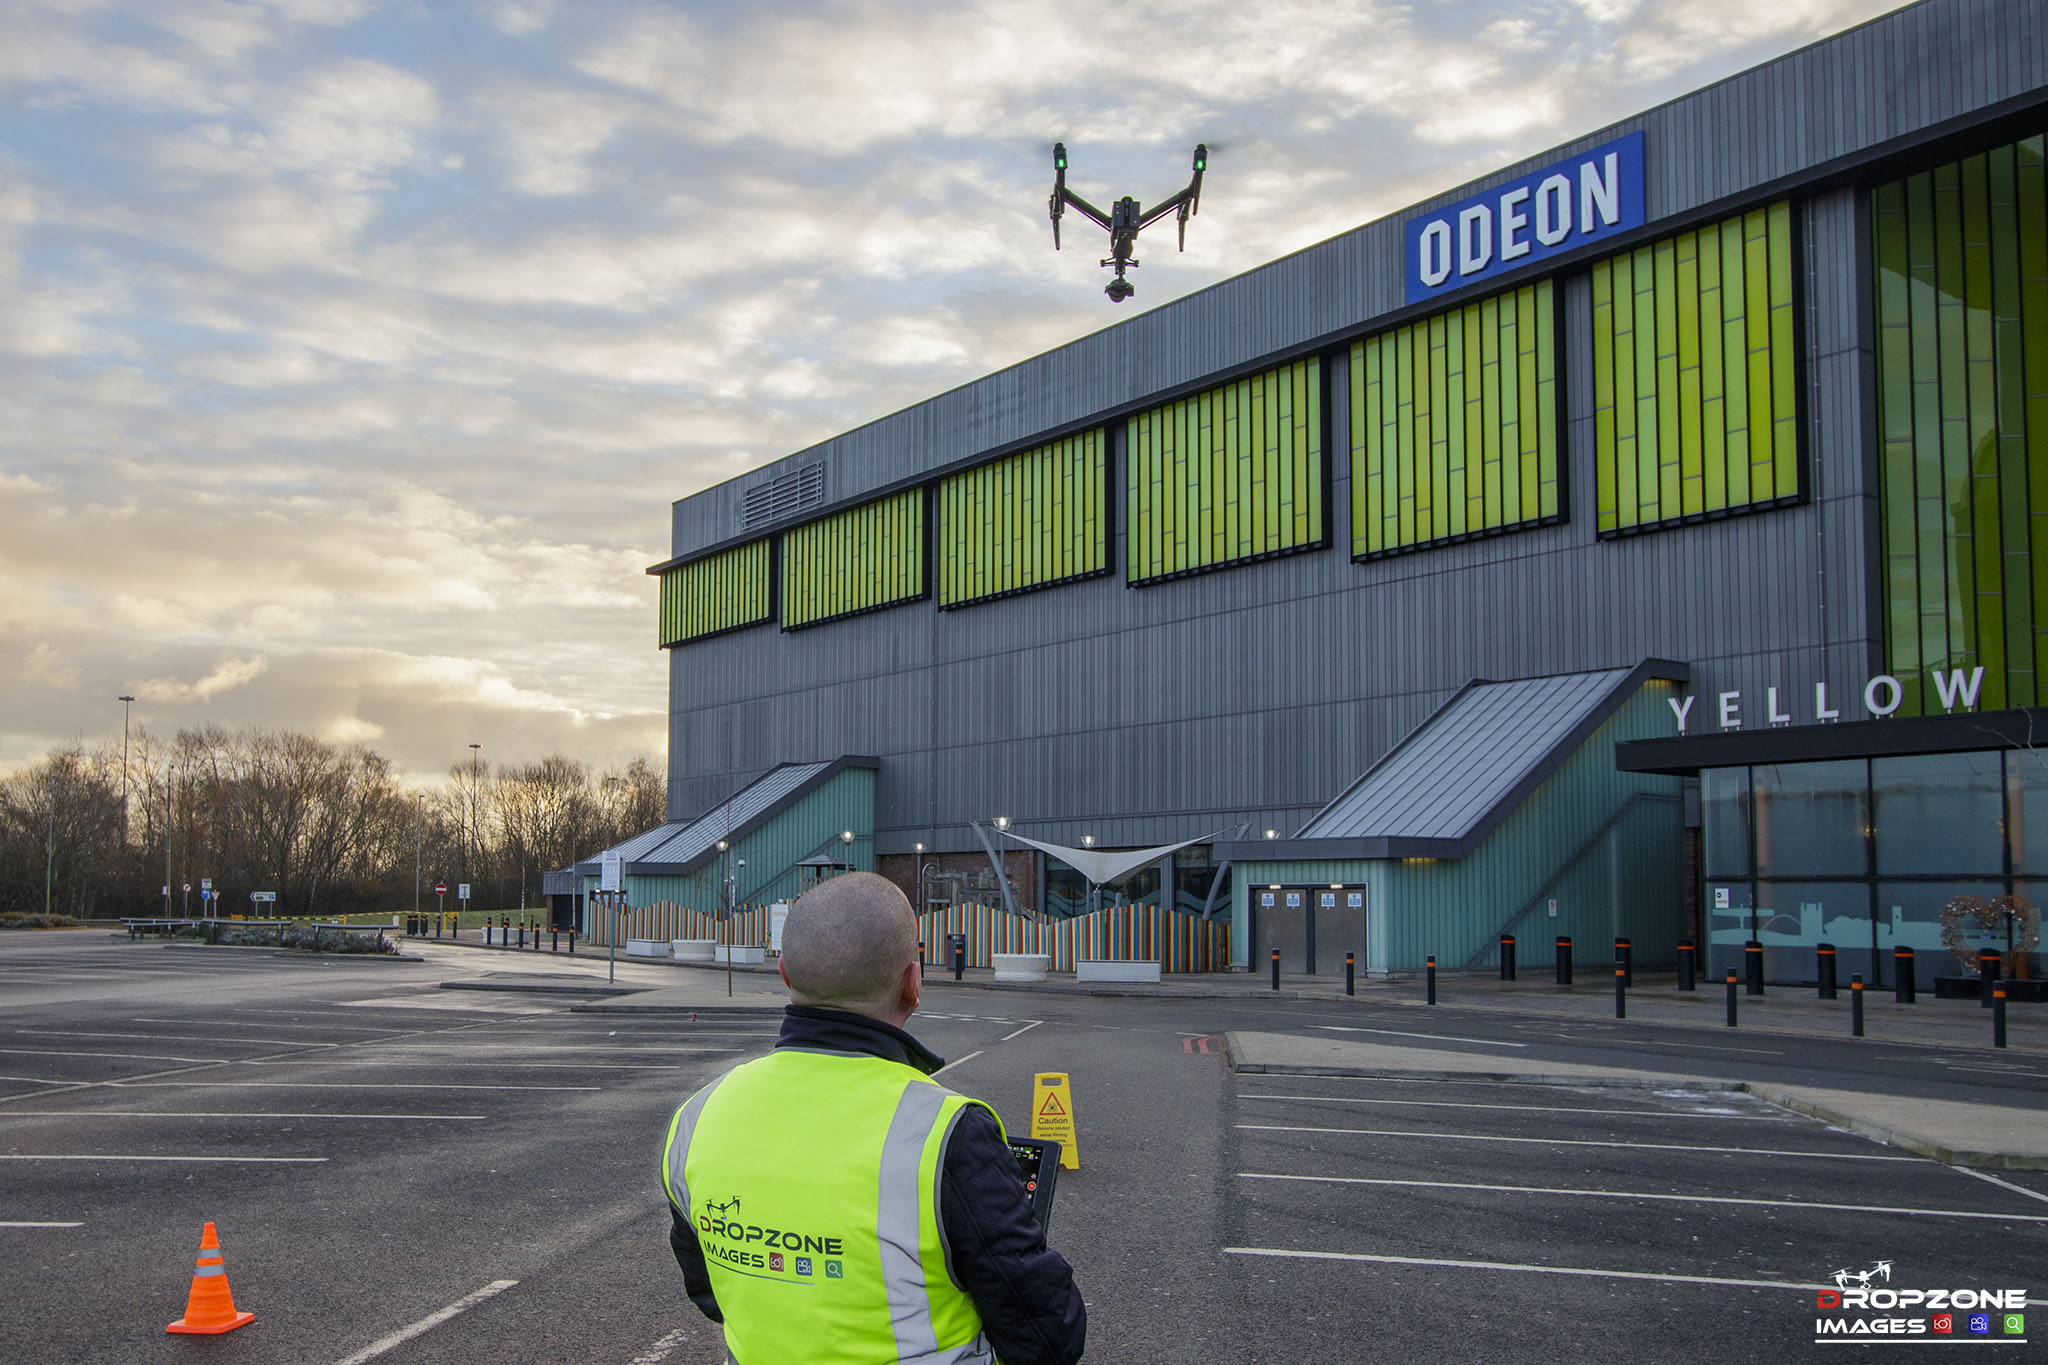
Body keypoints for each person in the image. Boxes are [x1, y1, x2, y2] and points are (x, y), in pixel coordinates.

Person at [661, 871, 1086, 1365]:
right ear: (913, 983)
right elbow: (1046, 1336)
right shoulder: (947, 1133)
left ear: (785, 976)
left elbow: (709, 1291)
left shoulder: (699, 1114)